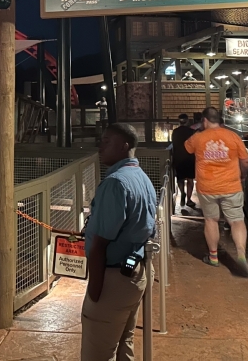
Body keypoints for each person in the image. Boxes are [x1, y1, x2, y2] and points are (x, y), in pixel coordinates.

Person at [81, 123, 157, 361]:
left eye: (106, 142)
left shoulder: (115, 183)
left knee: (98, 353)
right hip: (135, 272)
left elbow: (100, 244)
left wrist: (95, 291)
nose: (100, 147)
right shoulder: (141, 177)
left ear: (124, 146)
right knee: (125, 342)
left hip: (112, 280)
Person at [185, 107, 248, 278]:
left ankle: (213, 257)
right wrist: (243, 174)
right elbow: (245, 160)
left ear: (205, 120)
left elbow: (187, 148)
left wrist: (200, 131)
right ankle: (241, 255)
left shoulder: (198, 137)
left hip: (207, 187)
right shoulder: (233, 136)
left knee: (211, 220)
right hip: (231, 186)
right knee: (237, 221)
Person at [170, 114, 196, 208]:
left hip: (178, 157)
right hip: (190, 157)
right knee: (190, 180)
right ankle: (189, 200)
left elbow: (173, 144)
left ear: (179, 121)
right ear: (187, 121)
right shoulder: (191, 132)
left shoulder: (175, 132)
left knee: (180, 179)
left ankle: (182, 193)